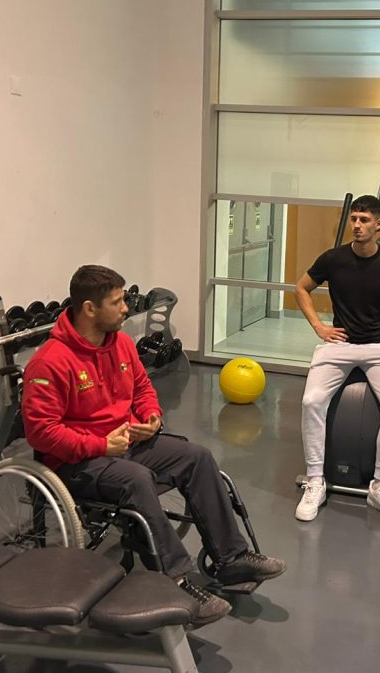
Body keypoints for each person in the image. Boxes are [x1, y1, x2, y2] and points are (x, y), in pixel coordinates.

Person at [21, 265, 286, 627]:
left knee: (197, 457)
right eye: (117, 302)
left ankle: (231, 558)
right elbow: (41, 432)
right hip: (76, 462)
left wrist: (152, 416)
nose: (126, 308)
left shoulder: (120, 344)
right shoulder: (50, 361)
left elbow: (142, 388)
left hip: (126, 444)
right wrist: (100, 444)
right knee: (136, 479)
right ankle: (174, 583)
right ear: (89, 309)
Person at [294, 194, 380, 523]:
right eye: (354, 219)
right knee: (312, 401)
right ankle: (316, 480)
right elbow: (301, 288)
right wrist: (319, 326)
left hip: (379, 345)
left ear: (378, 224)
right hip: (339, 344)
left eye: (364, 220)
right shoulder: (333, 258)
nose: (357, 225)